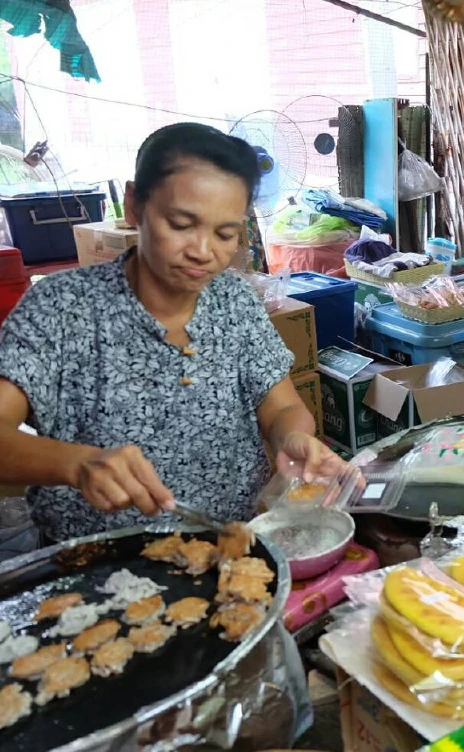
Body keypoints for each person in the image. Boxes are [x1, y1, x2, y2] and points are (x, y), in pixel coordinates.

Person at [0, 122, 353, 543]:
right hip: (96, 566)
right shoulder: (61, 308)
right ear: (134, 205)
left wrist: (293, 438)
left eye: (226, 233)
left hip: (227, 550)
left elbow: (279, 407)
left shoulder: (234, 301)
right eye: (182, 224)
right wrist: (76, 464)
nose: (204, 252)